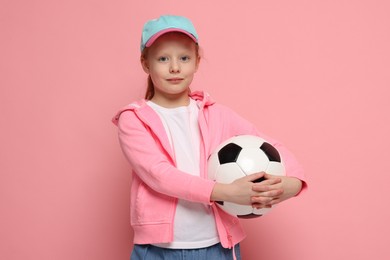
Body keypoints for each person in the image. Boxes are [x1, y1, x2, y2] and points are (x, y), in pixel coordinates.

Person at [112, 15, 307, 260]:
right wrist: (227, 192)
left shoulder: (216, 114)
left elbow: (270, 144)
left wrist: (293, 183)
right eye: (163, 58)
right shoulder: (134, 119)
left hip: (218, 247)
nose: (175, 67)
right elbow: (159, 175)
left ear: (197, 62)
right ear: (145, 63)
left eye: (184, 58)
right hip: (159, 251)